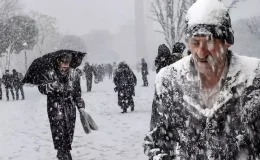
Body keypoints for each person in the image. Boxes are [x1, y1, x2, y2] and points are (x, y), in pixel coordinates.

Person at [143, 0, 260, 159]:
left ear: (227, 42)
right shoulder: (169, 80)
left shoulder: (254, 78)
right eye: (195, 42)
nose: (201, 52)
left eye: (209, 42)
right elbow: (156, 143)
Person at [38, 52, 85, 160]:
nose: (65, 64)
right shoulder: (50, 74)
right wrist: (51, 86)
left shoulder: (74, 74)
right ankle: (63, 153)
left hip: (70, 108)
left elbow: (78, 93)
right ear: (58, 62)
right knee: (59, 132)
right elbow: (41, 88)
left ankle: (64, 151)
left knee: (69, 132)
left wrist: (80, 106)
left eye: (67, 62)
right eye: (63, 62)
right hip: (55, 108)